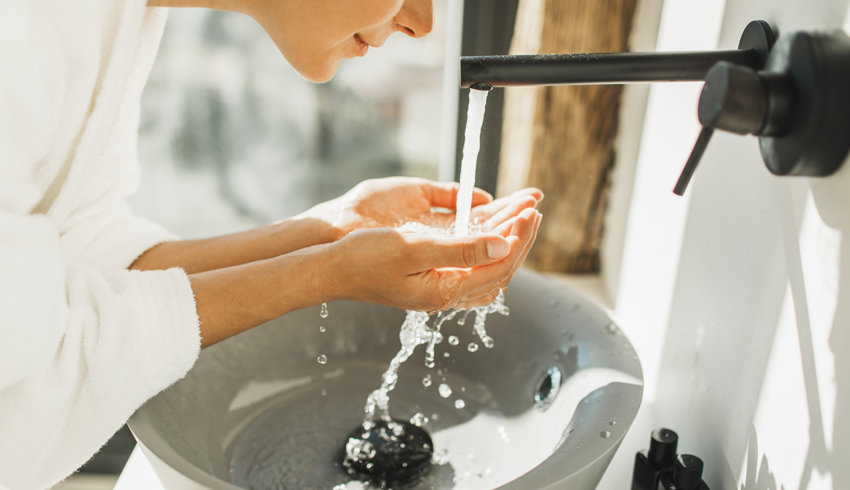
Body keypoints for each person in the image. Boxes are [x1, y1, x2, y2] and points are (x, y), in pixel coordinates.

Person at [0, 0, 542, 488]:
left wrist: (328, 232)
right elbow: (20, 381)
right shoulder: (21, 29)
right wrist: (329, 273)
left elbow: (83, 245)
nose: (422, 23)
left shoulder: (117, 15)